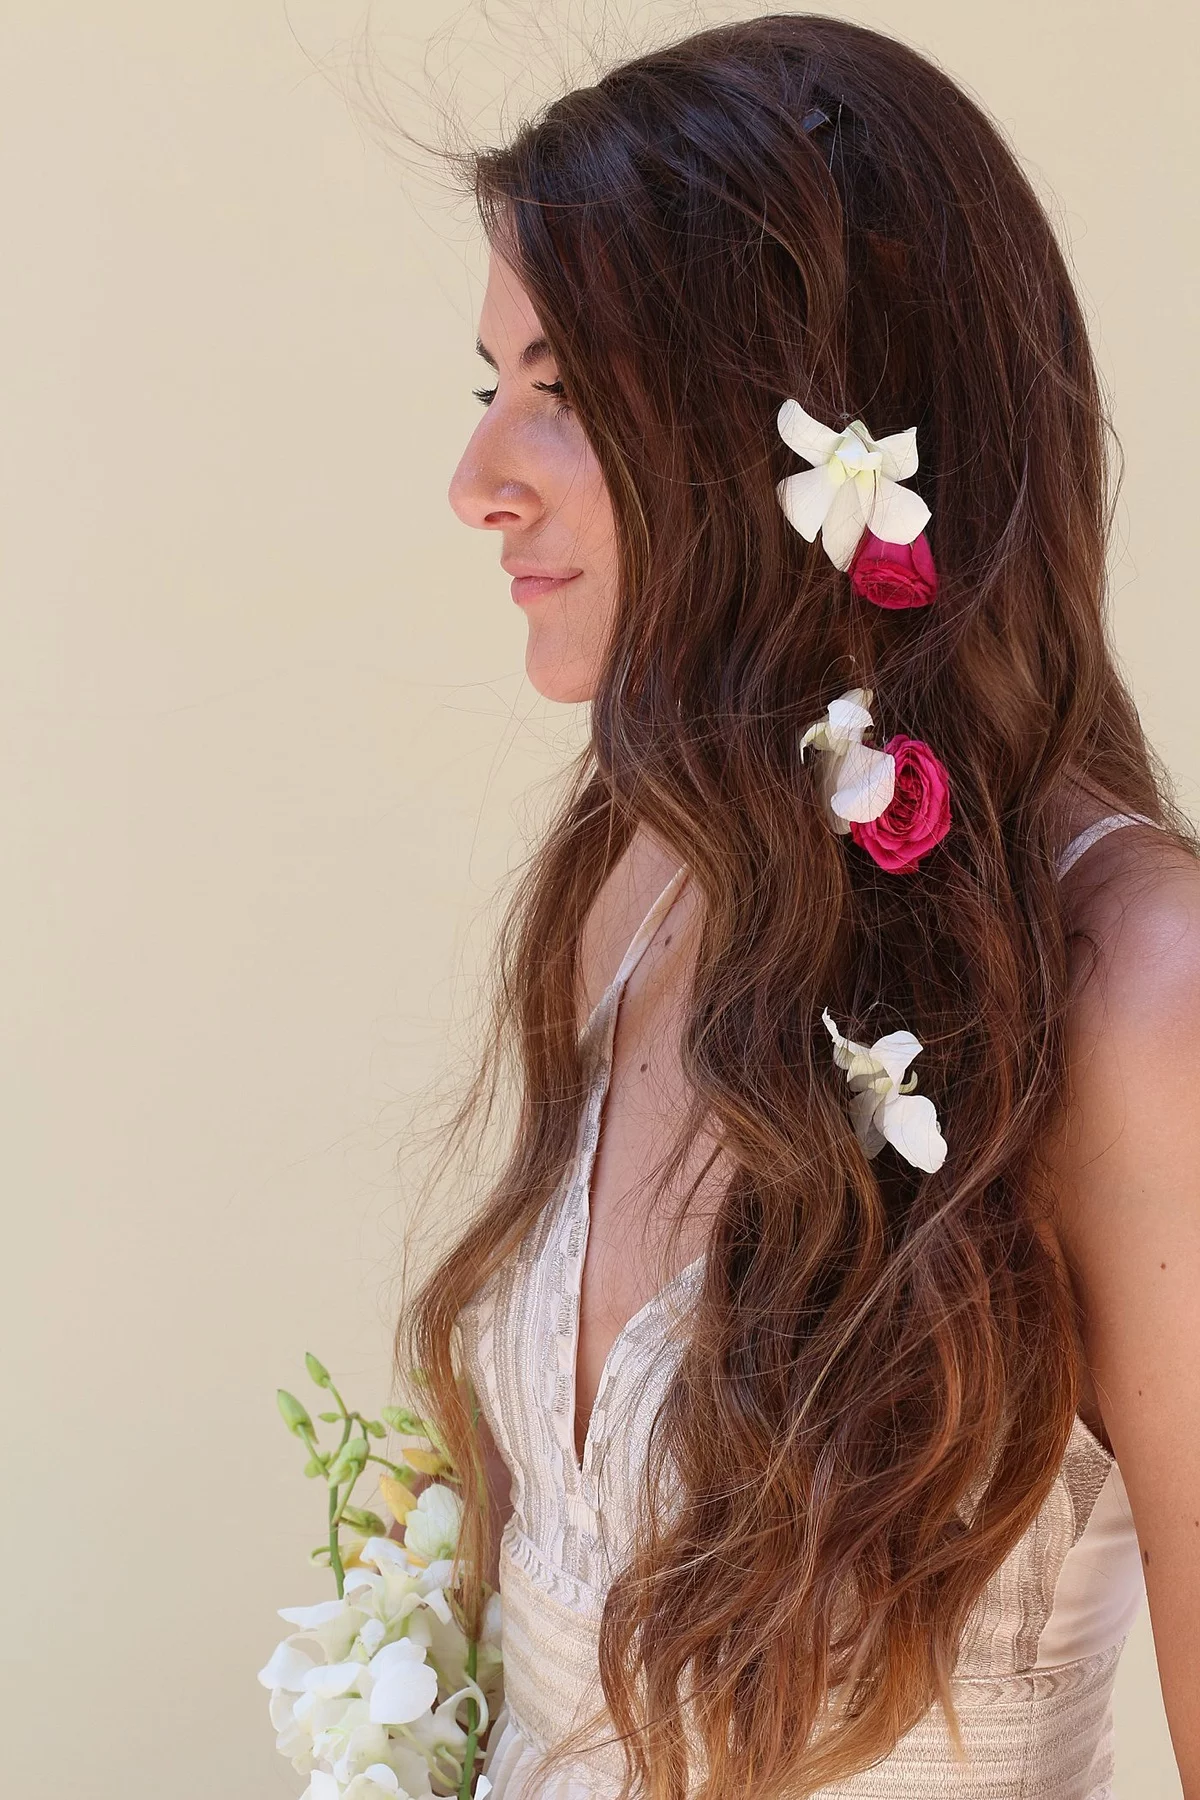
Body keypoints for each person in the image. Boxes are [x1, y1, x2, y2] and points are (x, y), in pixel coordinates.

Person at [401, 15, 1200, 1797]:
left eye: (567, 391)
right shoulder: (640, 874)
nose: (480, 482)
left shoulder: (1143, 996)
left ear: (821, 429)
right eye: (491, 386)